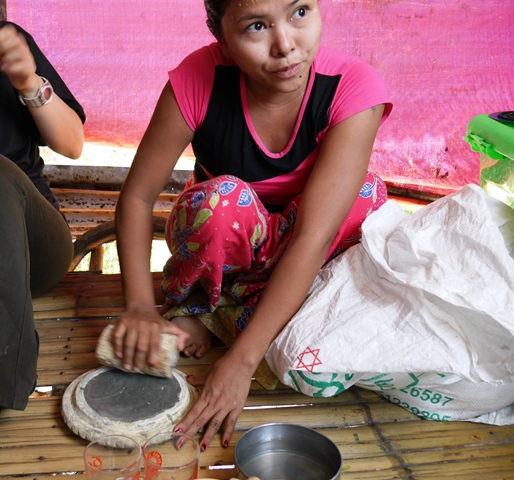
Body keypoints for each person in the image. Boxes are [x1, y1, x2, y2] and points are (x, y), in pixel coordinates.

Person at [113, 0, 392, 450]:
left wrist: (241, 365)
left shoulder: (352, 87)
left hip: (303, 245)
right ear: (221, 37)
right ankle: (211, 306)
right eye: (256, 26)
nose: (286, 45)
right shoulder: (197, 78)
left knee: (366, 195)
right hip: (229, 249)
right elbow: (138, 198)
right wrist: (140, 307)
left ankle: (219, 323)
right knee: (223, 200)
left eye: (300, 11)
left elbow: (313, 236)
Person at [0, 21, 85, 411]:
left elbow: (72, 144)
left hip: (31, 245)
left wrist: (27, 80)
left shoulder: (6, 42)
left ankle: (5, 386)